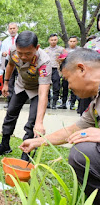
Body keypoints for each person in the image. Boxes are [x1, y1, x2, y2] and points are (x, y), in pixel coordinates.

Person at [19, 48, 100, 203]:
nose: (68, 87)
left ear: (81, 69)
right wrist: (37, 142)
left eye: (68, 80)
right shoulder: (96, 101)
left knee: (84, 153)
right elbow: (75, 129)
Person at [0, 31, 51, 161]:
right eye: (20, 53)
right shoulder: (13, 51)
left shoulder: (44, 62)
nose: (23, 56)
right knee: (10, 114)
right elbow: (10, 65)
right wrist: (6, 83)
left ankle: (27, 153)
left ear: (37, 48)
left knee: (32, 122)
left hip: (37, 90)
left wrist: (40, 122)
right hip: (21, 85)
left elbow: (44, 92)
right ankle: (4, 144)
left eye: (28, 53)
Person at [44, 33, 66, 109]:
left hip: (56, 69)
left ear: (57, 40)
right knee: (46, 86)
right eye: (52, 40)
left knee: (56, 86)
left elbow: (66, 58)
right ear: (49, 41)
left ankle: (54, 103)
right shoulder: (45, 50)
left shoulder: (61, 49)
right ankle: (48, 102)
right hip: (47, 69)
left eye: (55, 40)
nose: (53, 41)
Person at [0, 22, 19, 108]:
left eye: (14, 28)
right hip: (9, 62)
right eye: (10, 29)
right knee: (9, 82)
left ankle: (18, 102)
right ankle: (10, 102)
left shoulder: (21, 39)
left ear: (17, 29)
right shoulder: (5, 41)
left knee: (20, 82)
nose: (12, 30)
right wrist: (3, 54)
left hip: (20, 63)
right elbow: (1, 53)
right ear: (8, 30)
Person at [58, 36, 79, 110]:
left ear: (77, 42)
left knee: (74, 88)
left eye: (74, 41)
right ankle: (63, 103)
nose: (72, 43)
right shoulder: (65, 51)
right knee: (65, 87)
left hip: (75, 72)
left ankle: (72, 104)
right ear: (68, 42)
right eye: (71, 41)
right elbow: (60, 62)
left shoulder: (80, 50)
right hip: (66, 71)